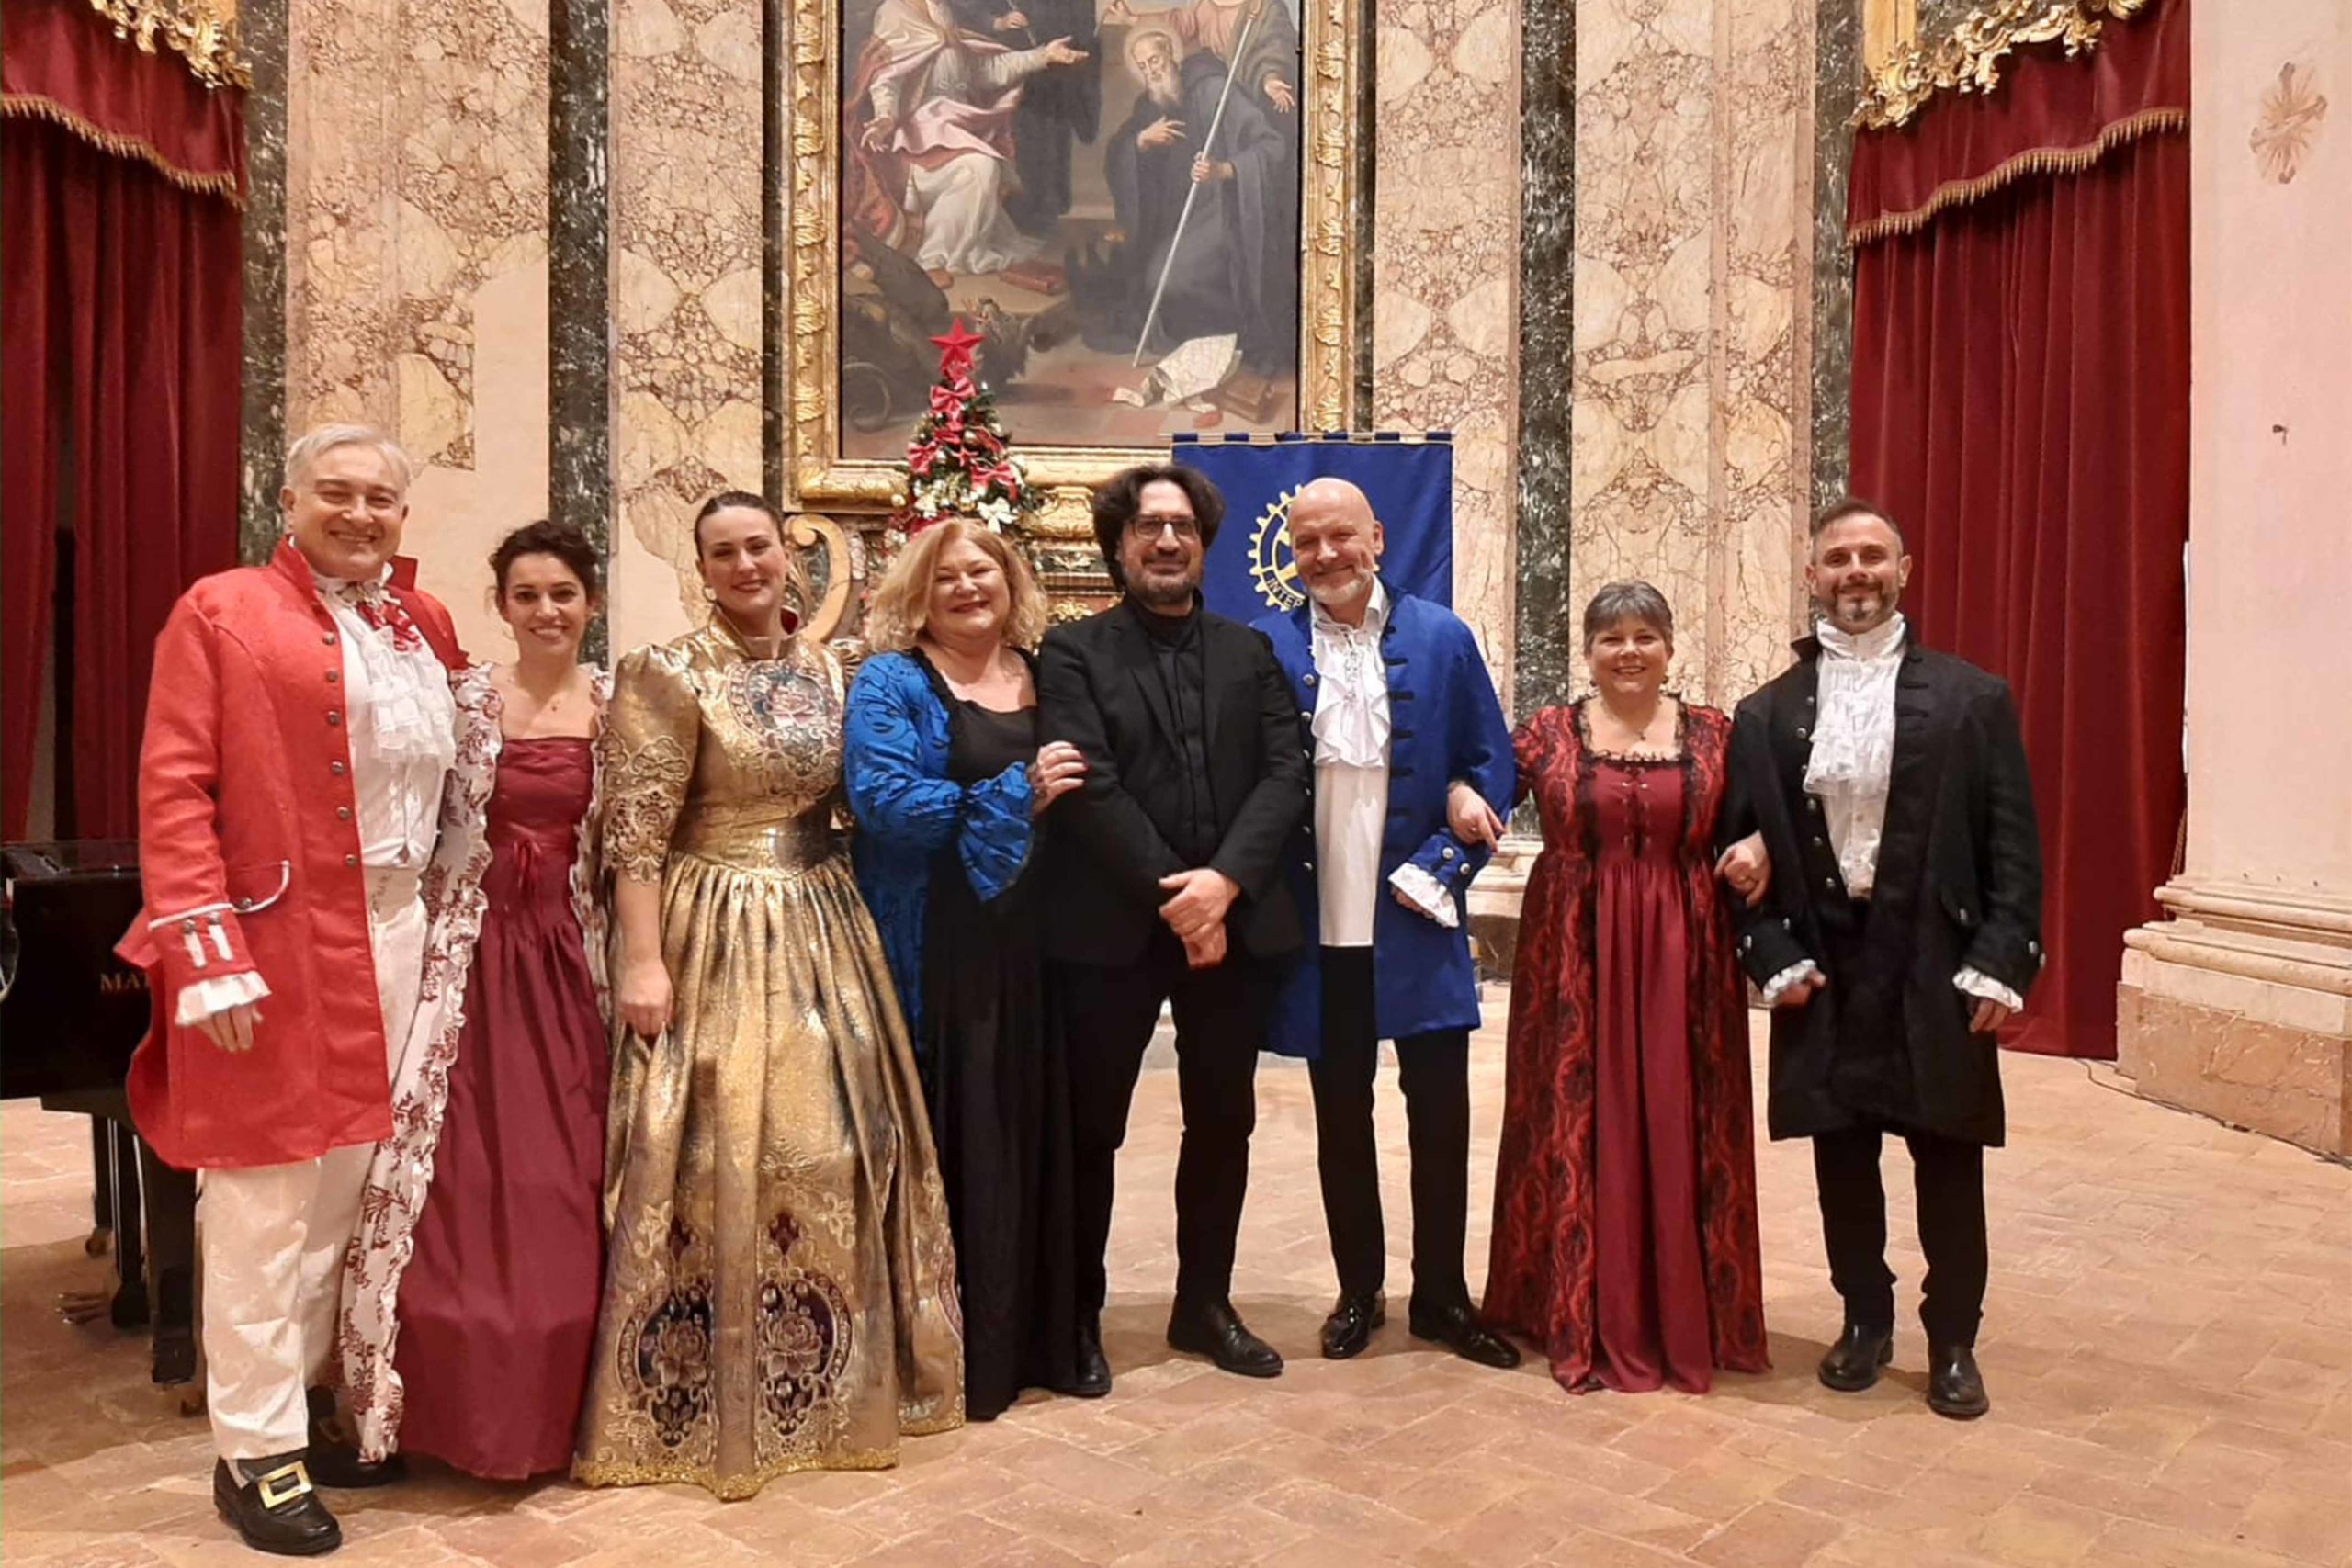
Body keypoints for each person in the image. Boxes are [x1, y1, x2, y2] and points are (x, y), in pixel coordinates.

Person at [575, 491, 963, 1496]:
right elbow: (636, 835)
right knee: (715, 1150)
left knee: (843, 1145)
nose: (746, 565)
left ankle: (834, 1382)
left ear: (788, 562)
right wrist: (644, 961)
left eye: (759, 547)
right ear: (701, 570)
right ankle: (703, 1391)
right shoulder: (666, 672)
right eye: (724, 553)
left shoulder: (838, 671)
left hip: (824, 918)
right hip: (713, 922)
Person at [118, 424, 462, 1555]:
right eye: (335, 493)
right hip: (276, 946)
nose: (359, 514)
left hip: (404, 935)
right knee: (263, 1204)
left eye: (380, 498)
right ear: (288, 499)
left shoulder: (424, 622)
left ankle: (308, 1402)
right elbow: (174, 787)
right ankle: (254, 1456)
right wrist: (204, 953)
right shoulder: (219, 610)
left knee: (352, 1199)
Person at [1720, 499, 2042, 1420]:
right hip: (1829, 957)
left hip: (1938, 956)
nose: (1854, 572)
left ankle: (1953, 1341)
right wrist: (1770, 953)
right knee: (1842, 1154)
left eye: (1872, 556)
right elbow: (1735, 849)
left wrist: (2003, 959)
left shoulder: (1974, 699)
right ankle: (1864, 1318)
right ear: (1811, 576)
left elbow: (2013, 843)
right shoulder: (1766, 714)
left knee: (1949, 1156)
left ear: (1904, 570)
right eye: (1837, 558)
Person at [340, 520, 612, 1480]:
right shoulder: (460, 701)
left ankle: (561, 1403)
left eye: (563, 594)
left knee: (565, 1166)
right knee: (448, 1167)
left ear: (591, 604)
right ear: (501, 605)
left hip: (574, 956)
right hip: (468, 954)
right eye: (526, 595)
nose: (546, 611)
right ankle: (433, 1404)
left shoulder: (618, 707)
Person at [1036, 462, 1308, 1385]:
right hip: (1110, 925)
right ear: (1118, 545)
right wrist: (1181, 898)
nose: (1165, 541)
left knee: (1223, 1121)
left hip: (1232, 923)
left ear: (1203, 544)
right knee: (1092, 1130)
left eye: (1182, 527)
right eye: (1148, 526)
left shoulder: (1250, 651)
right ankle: (1077, 1316)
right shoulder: (1071, 653)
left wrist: (1222, 885)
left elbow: (1286, 773)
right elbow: (1089, 785)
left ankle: (1204, 1305)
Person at [1251, 478, 1520, 1369]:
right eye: (1307, 542)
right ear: (1291, 553)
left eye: (1341, 536)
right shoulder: (1266, 647)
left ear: (1376, 535)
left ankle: (1442, 1294)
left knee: (1440, 1115)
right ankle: (1358, 1289)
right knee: (1341, 1116)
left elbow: (1492, 762)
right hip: (1316, 924)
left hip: (1416, 915)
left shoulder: (1442, 638)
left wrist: (1458, 819)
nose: (1325, 554)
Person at [1483, 581, 1770, 1395]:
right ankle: (1575, 1309)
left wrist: (1762, 846)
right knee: (1576, 1114)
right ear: (1588, 652)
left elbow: (1770, 814)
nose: (1629, 651)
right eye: (1611, 638)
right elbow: (1477, 780)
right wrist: (1462, 793)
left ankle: (1685, 1312)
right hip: (1573, 954)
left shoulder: (1716, 733)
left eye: (1646, 636)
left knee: (1683, 1112)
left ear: (1670, 648)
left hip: (1688, 957)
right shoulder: (1548, 731)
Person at [845, 519, 1091, 1420]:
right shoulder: (892, 679)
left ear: (1009, 581)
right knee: (965, 1141)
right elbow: (881, 800)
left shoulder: (1047, 672)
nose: (966, 587)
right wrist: (1014, 792)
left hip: (1042, 945)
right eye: (944, 576)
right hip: (942, 947)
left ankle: (1046, 1339)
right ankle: (963, 1355)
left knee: (1036, 1138)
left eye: (981, 570)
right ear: (918, 593)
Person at [1069, 28, 1295, 374]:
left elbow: (1271, 147)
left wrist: (1223, 169)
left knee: (1171, 279)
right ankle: (1211, 337)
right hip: (1181, 217)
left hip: (1226, 209)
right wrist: (1141, 143)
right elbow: (1118, 156)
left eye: (1155, 60)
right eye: (1143, 66)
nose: (1151, 71)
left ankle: (1241, 334)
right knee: (1151, 278)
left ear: (1172, 54)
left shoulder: (1213, 89)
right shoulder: (1151, 106)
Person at [846, 0, 1091, 280]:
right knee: (979, 167)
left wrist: (1043, 55)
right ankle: (933, 257)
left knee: (983, 167)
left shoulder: (943, 12)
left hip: (955, 125)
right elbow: (887, 75)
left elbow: (983, 71)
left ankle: (944, 252)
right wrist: (885, 117)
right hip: (921, 135)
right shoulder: (895, 10)